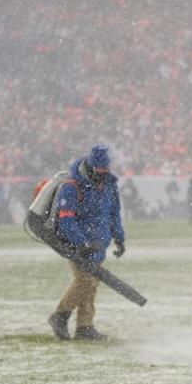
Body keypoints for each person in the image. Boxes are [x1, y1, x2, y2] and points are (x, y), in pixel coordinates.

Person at [46, 145, 126, 341]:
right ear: (90, 167)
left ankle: (84, 326)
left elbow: (113, 213)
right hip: (78, 245)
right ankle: (60, 315)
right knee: (85, 281)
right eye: (99, 171)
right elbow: (66, 220)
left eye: (104, 171)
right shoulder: (72, 186)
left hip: (99, 244)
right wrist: (81, 242)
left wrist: (119, 238)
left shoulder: (109, 184)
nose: (102, 175)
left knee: (92, 284)